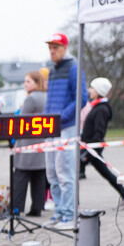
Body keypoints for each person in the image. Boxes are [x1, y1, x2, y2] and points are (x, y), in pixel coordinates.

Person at [43, 31, 88, 230]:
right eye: (50, 48)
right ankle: (59, 213)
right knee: (52, 173)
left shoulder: (73, 68)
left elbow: (81, 98)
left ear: (64, 48)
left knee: (65, 173)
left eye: (55, 47)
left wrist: (60, 117)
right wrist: (46, 120)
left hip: (66, 128)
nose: (52, 51)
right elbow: (49, 100)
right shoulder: (52, 71)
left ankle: (69, 215)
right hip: (50, 129)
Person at [79, 78, 124, 209]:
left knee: (73, 173)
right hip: (89, 147)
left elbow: (99, 132)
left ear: (98, 91)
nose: (89, 90)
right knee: (106, 173)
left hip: (91, 148)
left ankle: (74, 205)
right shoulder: (96, 106)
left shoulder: (102, 109)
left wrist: (89, 151)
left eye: (92, 88)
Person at [11, 70, 48, 217]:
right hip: (41, 142)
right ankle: (36, 208)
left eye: (28, 81)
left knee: (20, 176)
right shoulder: (46, 96)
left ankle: (15, 208)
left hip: (27, 143)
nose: (25, 84)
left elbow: (22, 120)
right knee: (38, 177)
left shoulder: (31, 99)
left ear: (36, 83)